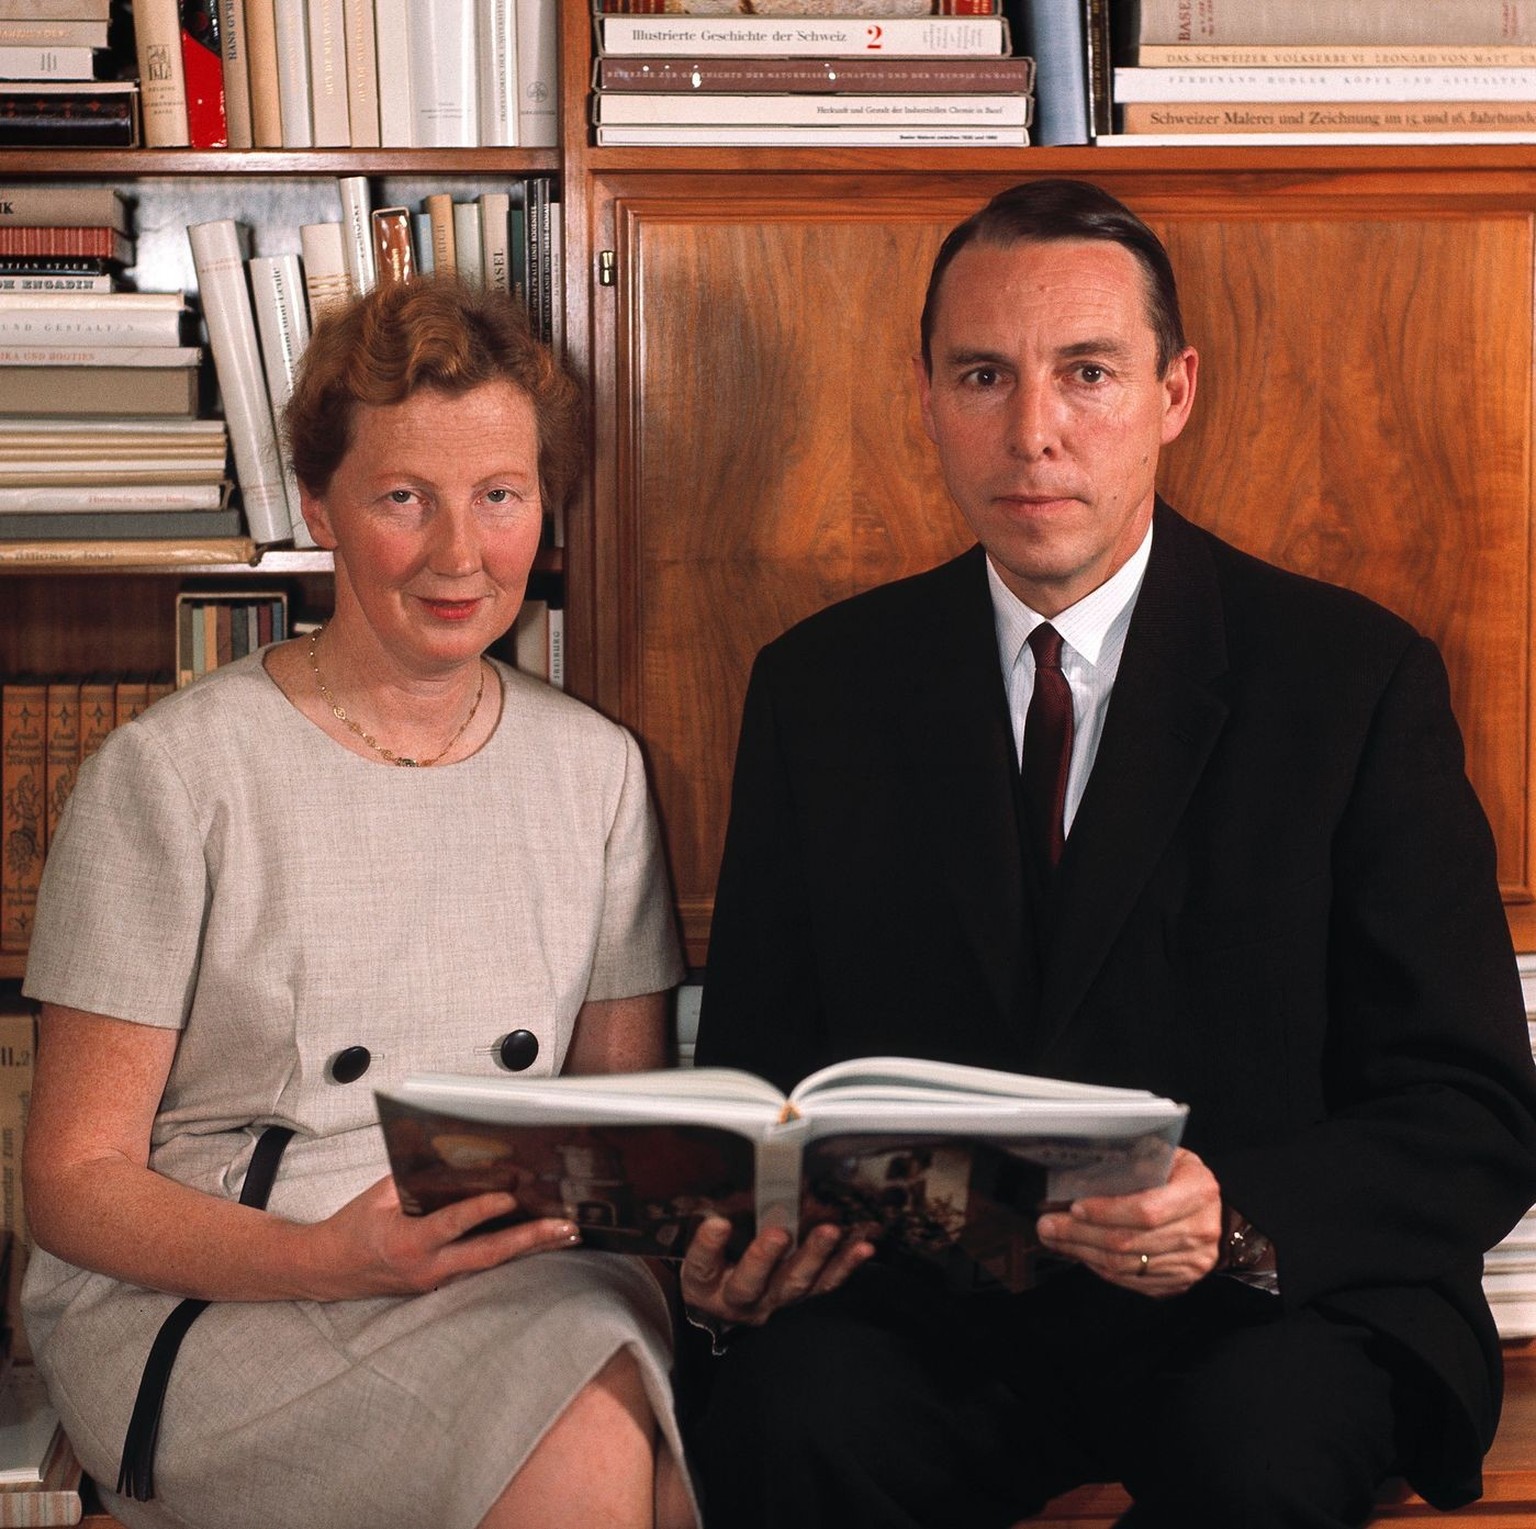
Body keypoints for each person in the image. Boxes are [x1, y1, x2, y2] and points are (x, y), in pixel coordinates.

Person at [681, 179, 1536, 1527]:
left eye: (1088, 373)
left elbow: (1471, 1112)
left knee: (1260, 1449)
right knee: (786, 1421)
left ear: (1174, 392)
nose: (1033, 433)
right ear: (925, 397)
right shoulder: (820, 688)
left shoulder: (1352, 679)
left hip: (1259, 1310)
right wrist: (728, 1241)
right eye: (983, 374)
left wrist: (1233, 1213)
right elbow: (762, 1082)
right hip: (932, 1320)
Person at [20, 277, 699, 1529]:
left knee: (615, 1393)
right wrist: (325, 1256)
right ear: (319, 507)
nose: (459, 553)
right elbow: (71, 1180)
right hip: (222, 1295)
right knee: (595, 1435)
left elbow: (620, 1122)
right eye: (404, 498)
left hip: (514, 1280)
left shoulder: (596, 768)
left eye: (500, 494)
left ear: (544, 509)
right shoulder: (172, 773)